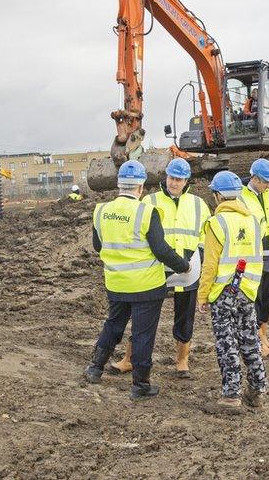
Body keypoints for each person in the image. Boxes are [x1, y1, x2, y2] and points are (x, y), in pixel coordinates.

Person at [83, 160, 190, 401]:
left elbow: (98, 246)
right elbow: (161, 250)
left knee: (113, 324)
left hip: (116, 283)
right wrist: (184, 266)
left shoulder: (101, 211)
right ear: (141, 187)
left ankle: (95, 368)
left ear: (119, 184)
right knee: (143, 334)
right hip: (146, 286)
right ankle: (140, 384)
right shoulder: (146, 212)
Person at [107, 158, 209, 379]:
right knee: (142, 316)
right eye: (171, 178)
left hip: (187, 268)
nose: (174, 183)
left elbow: (204, 235)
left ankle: (182, 360)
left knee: (185, 316)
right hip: (155, 268)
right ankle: (130, 359)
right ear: (166, 176)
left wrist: (198, 255)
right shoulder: (150, 200)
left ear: (186, 180)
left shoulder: (199, 204)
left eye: (179, 179)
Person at [197, 170, 267, 409]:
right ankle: (256, 390)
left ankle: (231, 395)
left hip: (224, 292)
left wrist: (203, 295)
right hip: (247, 290)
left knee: (226, 343)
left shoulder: (216, 223)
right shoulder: (253, 221)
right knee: (250, 340)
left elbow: (210, 265)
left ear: (217, 196)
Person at [240, 158, 269, 358]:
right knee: (255, 300)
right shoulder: (242, 196)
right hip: (254, 257)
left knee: (267, 298)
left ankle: (263, 335)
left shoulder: (268, 194)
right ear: (254, 178)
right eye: (265, 181)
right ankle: (257, 342)